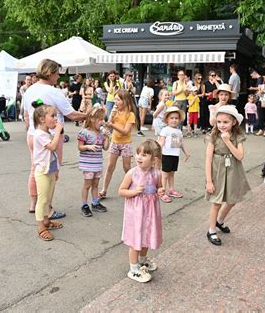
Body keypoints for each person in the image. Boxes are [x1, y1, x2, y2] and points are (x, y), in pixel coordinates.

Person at [23, 59, 86, 220]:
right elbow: (71, 114)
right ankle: (48, 208)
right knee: (52, 171)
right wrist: (89, 115)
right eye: (57, 73)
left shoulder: (29, 89)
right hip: (51, 135)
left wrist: (30, 130)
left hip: (32, 134)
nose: (59, 77)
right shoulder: (53, 91)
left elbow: (25, 115)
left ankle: (33, 204)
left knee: (35, 169)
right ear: (50, 73)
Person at [118, 139, 165, 283]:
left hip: (150, 213)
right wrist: (135, 192)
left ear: (154, 159)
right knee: (135, 239)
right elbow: (121, 191)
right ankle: (133, 269)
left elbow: (159, 188)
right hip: (136, 213)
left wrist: (161, 191)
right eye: (138, 153)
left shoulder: (157, 174)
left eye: (144, 155)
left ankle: (143, 261)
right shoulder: (132, 173)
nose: (139, 157)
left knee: (146, 236)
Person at [205, 105, 251, 246]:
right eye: (219, 122)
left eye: (225, 122)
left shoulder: (237, 136)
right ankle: (211, 230)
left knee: (232, 199)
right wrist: (209, 181)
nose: (222, 125)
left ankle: (220, 221)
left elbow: (240, 156)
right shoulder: (213, 135)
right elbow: (208, 158)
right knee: (217, 202)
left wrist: (227, 141)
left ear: (233, 122)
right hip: (217, 170)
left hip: (233, 169)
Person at [31, 102, 64, 241]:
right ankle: (41, 227)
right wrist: (57, 132)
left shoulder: (46, 132)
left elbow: (52, 155)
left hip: (49, 170)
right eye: (53, 116)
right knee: (42, 200)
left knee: (47, 199)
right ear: (42, 119)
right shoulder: (39, 134)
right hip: (42, 172)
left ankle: (46, 221)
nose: (56, 119)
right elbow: (53, 147)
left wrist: (56, 170)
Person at [98, 90, 136, 199]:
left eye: (118, 99)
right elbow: (107, 125)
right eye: (115, 99)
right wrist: (111, 116)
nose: (115, 101)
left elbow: (125, 131)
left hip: (126, 144)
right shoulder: (115, 112)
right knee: (110, 166)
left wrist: (112, 125)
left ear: (125, 101)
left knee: (126, 167)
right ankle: (104, 190)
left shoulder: (130, 114)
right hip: (115, 142)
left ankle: (133, 187)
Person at [77, 107, 109, 217]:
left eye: (103, 119)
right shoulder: (84, 133)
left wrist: (106, 136)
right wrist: (88, 146)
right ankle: (84, 205)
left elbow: (105, 147)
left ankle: (95, 202)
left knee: (95, 184)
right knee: (87, 185)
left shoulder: (101, 133)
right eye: (100, 119)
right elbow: (80, 147)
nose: (102, 122)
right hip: (88, 164)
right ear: (92, 119)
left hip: (97, 163)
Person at [158, 106, 190, 203]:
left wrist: (186, 153)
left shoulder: (179, 131)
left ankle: (171, 190)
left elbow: (181, 143)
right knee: (165, 174)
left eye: (176, 118)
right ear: (167, 119)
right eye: (172, 118)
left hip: (175, 155)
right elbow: (161, 142)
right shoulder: (165, 130)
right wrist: (156, 152)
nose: (174, 120)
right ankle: (162, 192)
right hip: (166, 155)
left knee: (172, 174)